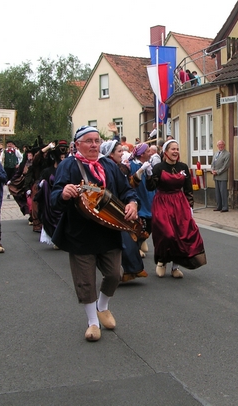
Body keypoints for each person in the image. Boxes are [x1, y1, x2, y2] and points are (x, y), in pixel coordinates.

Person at [51, 125, 139, 342]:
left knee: (114, 274)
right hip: (80, 233)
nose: (93, 145)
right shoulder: (68, 165)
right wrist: (63, 193)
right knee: (86, 280)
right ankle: (92, 322)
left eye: (97, 141)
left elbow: (127, 190)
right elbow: (54, 197)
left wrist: (132, 203)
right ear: (77, 144)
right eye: (88, 141)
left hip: (109, 230)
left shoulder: (108, 165)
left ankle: (103, 306)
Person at [146, 139, 206, 278]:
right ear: (166, 151)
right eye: (173, 149)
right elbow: (151, 187)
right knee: (167, 234)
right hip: (162, 202)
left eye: (177, 149)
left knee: (182, 234)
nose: (176, 151)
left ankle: (175, 266)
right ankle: (162, 261)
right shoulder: (159, 168)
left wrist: (190, 206)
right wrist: (149, 176)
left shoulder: (183, 167)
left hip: (179, 203)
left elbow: (188, 189)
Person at [100, 139, 148, 282]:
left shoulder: (120, 167)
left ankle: (127, 271)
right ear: (111, 154)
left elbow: (128, 186)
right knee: (122, 241)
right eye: (119, 151)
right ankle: (117, 272)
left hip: (123, 206)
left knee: (127, 241)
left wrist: (139, 175)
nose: (122, 153)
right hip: (110, 209)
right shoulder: (104, 168)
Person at [211, 140, 231, 212]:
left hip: (222, 176)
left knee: (223, 192)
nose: (220, 146)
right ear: (217, 146)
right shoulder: (215, 153)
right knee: (217, 192)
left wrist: (217, 172)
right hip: (215, 176)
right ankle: (218, 206)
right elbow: (212, 163)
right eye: (219, 145)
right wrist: (212, 170)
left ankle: (225, 207)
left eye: (222, 144)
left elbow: (225, 166)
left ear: (224, 145)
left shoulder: (227, 154)